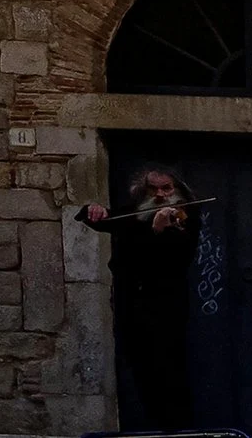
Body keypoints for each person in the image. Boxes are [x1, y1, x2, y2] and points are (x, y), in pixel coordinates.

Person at [78, 168, 198, 430]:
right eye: (153, 189)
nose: (160, 195)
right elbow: (106, 221)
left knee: (169, 374)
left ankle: (176, 431)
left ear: (176, 188)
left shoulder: (185, 217)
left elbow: (178, 257)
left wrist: (159, 231)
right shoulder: (135, 212)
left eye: (166, 189)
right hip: (131, 308)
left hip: (166, 311)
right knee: (141, 373)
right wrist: (93, 209)